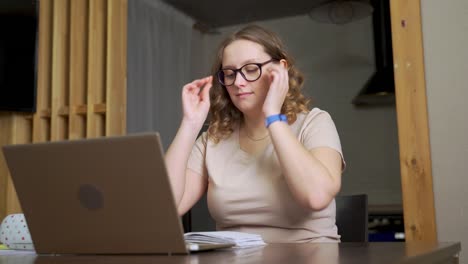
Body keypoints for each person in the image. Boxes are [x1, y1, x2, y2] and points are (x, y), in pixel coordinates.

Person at [165, 25, 345, 243]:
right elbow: (165, 208)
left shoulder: (315, 122)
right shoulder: (213, 138)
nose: (238, 82)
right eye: (230, 73)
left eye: (251, 69)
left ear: (280, 70)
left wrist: (272, 116)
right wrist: (190, 124)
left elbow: (316, 197)